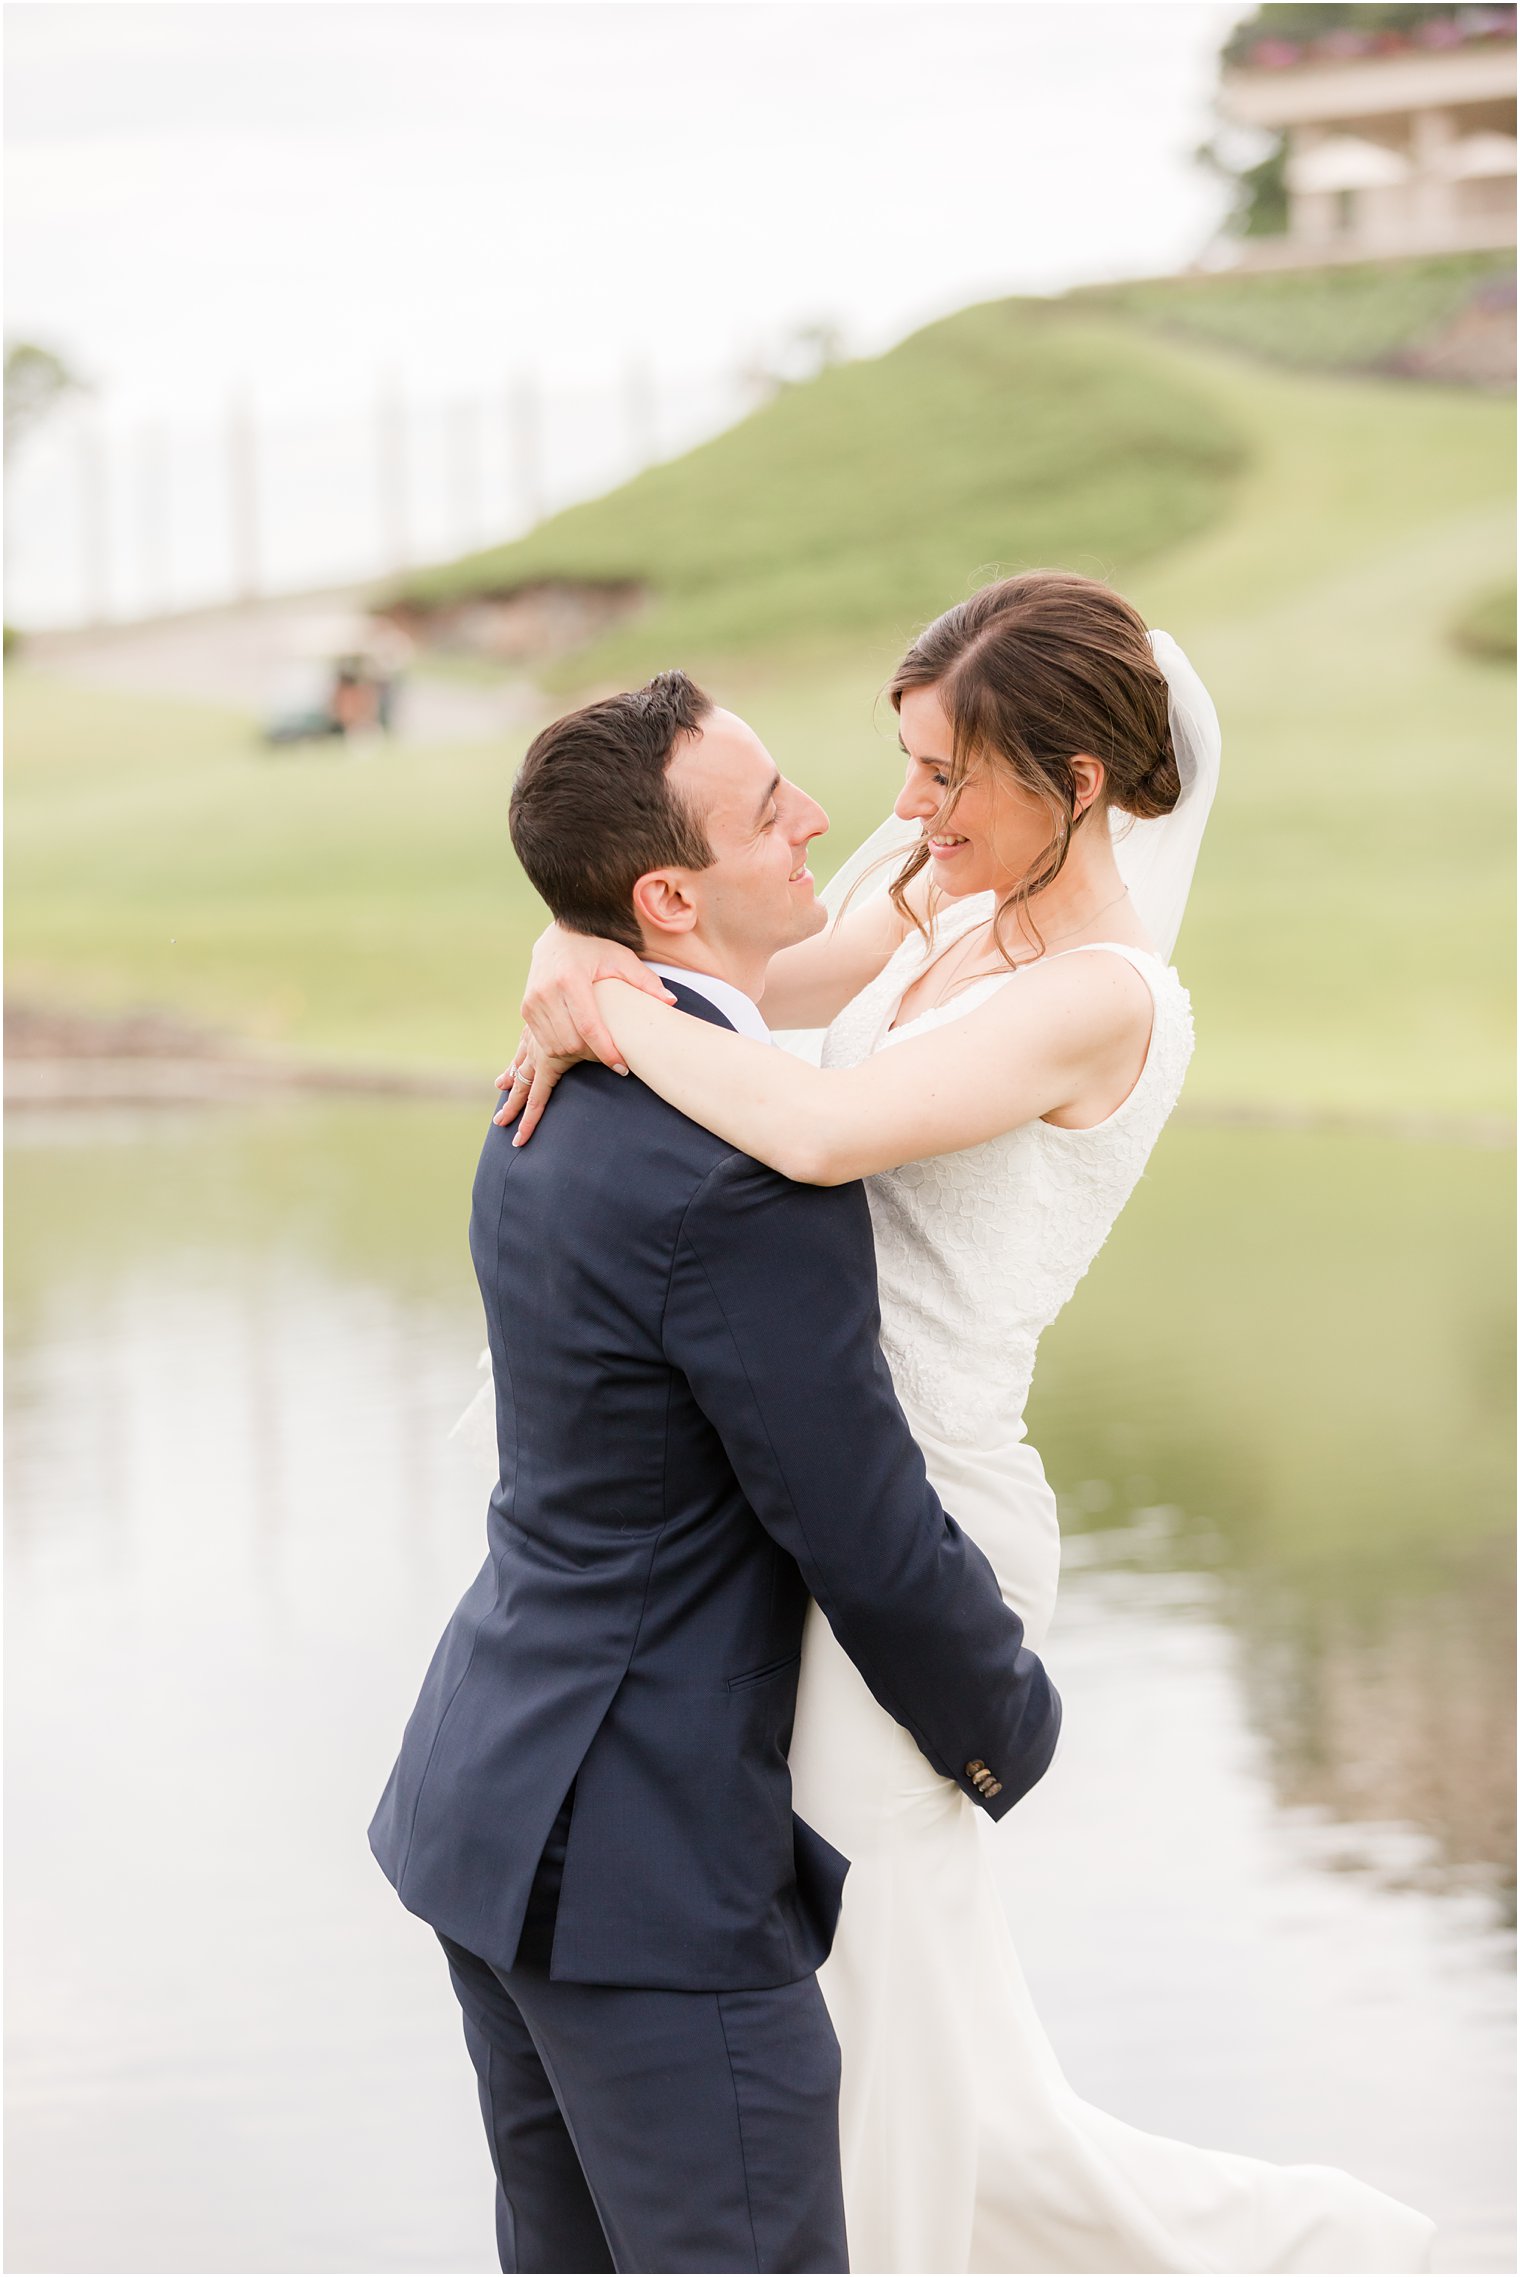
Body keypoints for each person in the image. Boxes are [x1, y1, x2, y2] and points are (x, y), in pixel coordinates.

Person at [500, 570, 1437, 2274]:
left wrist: (608, 1006)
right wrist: (579, 958)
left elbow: (823, 1125)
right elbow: (722, 970)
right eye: (908, 762)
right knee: (914, 2035)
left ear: (1078, 780)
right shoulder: (937, 899)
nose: (905, 809)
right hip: (825, 1497)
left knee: (889, 2027)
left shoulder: (1107, 997)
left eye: (947, 774)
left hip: (926, 1524)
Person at [368, 668, 1063, 2276]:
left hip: (492, 1812)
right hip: (644, 1876)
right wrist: (1002, 1725)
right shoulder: (741, 1170)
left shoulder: (548, 1089)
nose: (813, 814)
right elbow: (857, 1518)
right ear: (671, 896)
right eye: (770, 809)